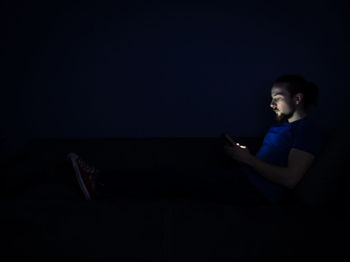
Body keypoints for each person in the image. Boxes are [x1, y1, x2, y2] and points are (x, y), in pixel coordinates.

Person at [68, 74, 324, 205]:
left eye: (277, 97)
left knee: (174, 177)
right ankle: (101, 181)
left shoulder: (306, 130)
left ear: (297, 99)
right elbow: (268, 165)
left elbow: (290, 179)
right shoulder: (282, 128)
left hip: (254, 192)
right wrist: (244, 156)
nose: (271, 104)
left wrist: (248, 160)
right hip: (246, 179)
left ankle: (100, 182)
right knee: (176, 172)